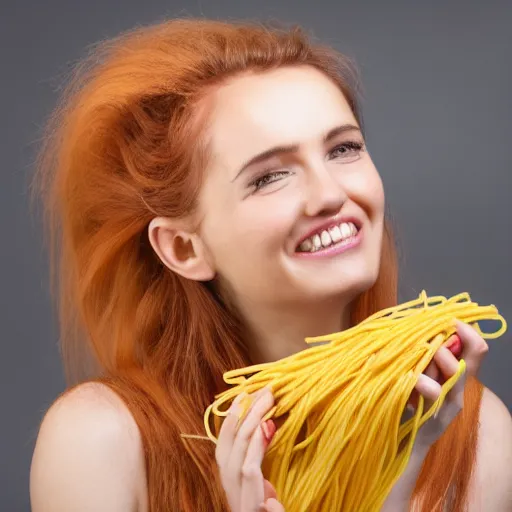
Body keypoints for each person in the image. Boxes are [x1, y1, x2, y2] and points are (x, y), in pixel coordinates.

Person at [29, 18, 512, 512]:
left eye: (343, 149)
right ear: (183, 249)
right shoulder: (101, 442)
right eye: (269, 177)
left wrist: (398, 472)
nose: (330, 195)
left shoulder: (478, 434)